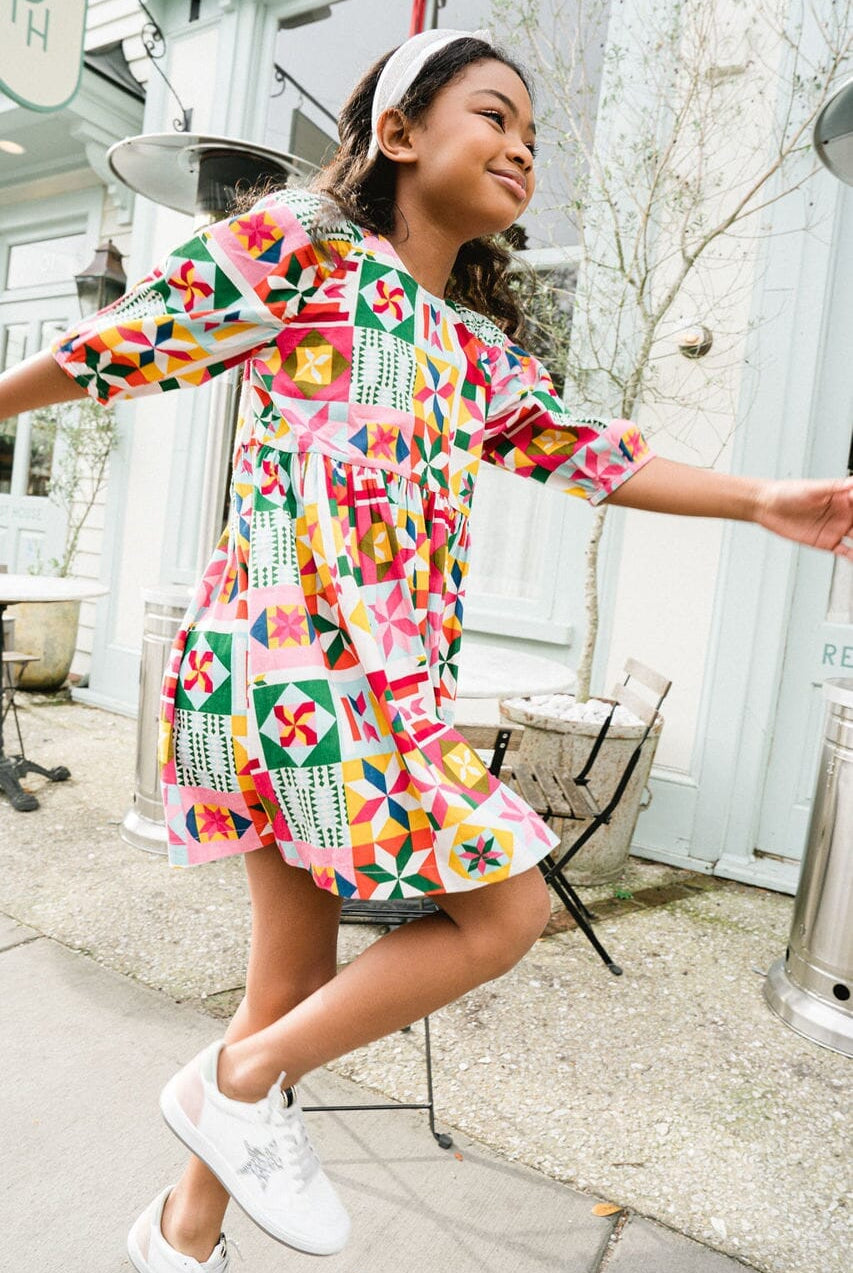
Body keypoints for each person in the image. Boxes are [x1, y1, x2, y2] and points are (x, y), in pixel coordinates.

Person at [2, 27, 852, 1273]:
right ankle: (238, 1078)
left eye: (533, 136)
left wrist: (761, 499)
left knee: (288, 980)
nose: (520, 149)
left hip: (341, 686)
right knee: (505, 907)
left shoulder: (470, 348)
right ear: (397, 136)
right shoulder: (309, 247)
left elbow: (596, 453)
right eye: (493, 116)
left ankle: (181, 1234)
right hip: (299, 665)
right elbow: (121, 341)